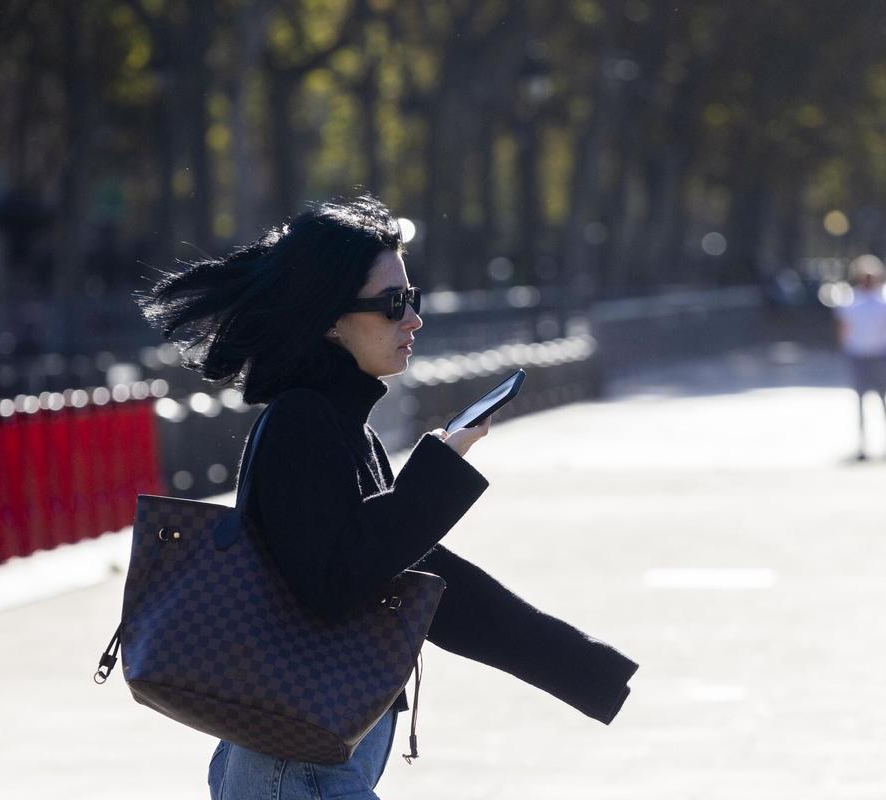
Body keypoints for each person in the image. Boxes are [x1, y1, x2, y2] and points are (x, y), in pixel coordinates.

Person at [137, 196, 637, 800]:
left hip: (312, 757)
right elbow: (331, 584)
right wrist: (436, 475)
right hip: (294, 767)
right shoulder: (303, 422)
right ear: (329, 318)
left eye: (413, 298)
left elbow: (416, 576)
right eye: (392, 304)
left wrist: (578, 666)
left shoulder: (340, 423)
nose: (413, 320)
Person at [834, 254, 886, 461]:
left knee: (884, 400)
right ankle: (863, 444)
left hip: (882, 355)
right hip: (858, 355)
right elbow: (843, 328)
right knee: (861, 402)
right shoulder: (850, 300)